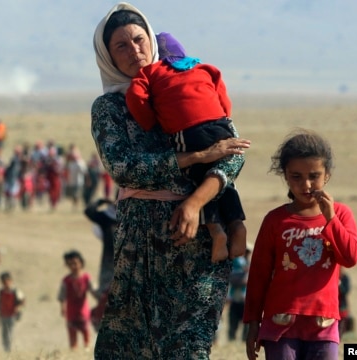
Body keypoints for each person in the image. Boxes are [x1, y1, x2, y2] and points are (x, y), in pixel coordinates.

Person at [91, 3, 250, 358]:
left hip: (202, 240)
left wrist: (195, 203)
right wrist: (193, 157)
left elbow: (233, 152)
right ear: (108, 57)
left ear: (152, 40)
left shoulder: (187, 82)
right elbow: (123, 167)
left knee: (189, 347)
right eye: (121, 46)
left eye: (139, 39)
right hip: (140, 247)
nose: (134, 51)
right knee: (129, 347)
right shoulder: (109, 109)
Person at [126, 31, 246, 263]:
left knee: (197, 176)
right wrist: (223, 119)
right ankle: (237, 225)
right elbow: (223, 95)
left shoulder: (150, 71)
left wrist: (150, 121)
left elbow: (136, 97)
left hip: (189, 130)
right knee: (222, 177)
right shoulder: (203, 67)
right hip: (220, 125)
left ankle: (216, 232)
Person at [243, 130, 357, 360]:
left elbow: (350, 258)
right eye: (296, 176)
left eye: (313, 176)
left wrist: (331, 219)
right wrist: (253, 323)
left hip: (323, 324)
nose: (306, 184)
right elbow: (259, 275)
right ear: (286, 176)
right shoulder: (275, 220)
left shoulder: (341, 214)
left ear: (326, 175)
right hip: (280, 324)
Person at [83, 198, 117, 331]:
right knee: (105, 297)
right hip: (108, 265)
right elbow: (89, 211)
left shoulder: (134, 215)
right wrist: (101, 201)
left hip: (131, 264)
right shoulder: (106, 219)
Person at [58, 250, 96, 351]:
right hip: (71, 312)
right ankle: (73, 351)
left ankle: (87, 349)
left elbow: (94, 291)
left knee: (85, 331)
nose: (73, 266)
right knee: (72, 333)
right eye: (70, 264)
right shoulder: (66, 281)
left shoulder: (86, 278)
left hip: (83, 311)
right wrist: (62, 308)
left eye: (75, 263)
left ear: (81, 263)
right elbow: (62, 296)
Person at [227, 246, 252, 342]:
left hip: (246, 300)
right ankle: (231, 340)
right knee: (233, 323)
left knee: (246, 324)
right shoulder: (236, 264)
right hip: (236, 298)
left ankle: (244, 340)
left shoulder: (249, 264)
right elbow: (234, 279)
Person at [0, 271, 25, 352]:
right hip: (3, 315)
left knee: (10, 332)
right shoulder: (1, 292)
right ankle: (5, 347)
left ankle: (9, 348)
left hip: (12, 315)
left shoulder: (15, 291)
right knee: (4, 333)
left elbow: (22, 300)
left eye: (7, 281)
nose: (6, 284)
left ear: (10, 281)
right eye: (3, 282)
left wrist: (17, 308)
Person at [338, 269, 353, 338]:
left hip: (342, 308)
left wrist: (340, 285)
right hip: (331, 309)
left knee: (340, 329)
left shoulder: (344, 278)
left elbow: (346, 291)